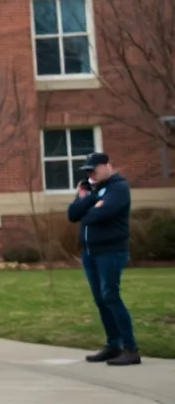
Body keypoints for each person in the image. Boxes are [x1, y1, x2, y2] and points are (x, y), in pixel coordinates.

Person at [68, 152, 140, 366]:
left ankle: (130, 348)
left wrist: (89, 201)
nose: (91, 174)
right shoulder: (94, 190)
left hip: (111, 251)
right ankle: (113, 345)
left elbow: (98, 215)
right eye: (88, 171)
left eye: (94, 169)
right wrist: (90, 199)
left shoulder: (118, 188)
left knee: (111, 296)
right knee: (101, 300)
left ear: (108, 166)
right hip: (89, 252)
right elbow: (73, 215)